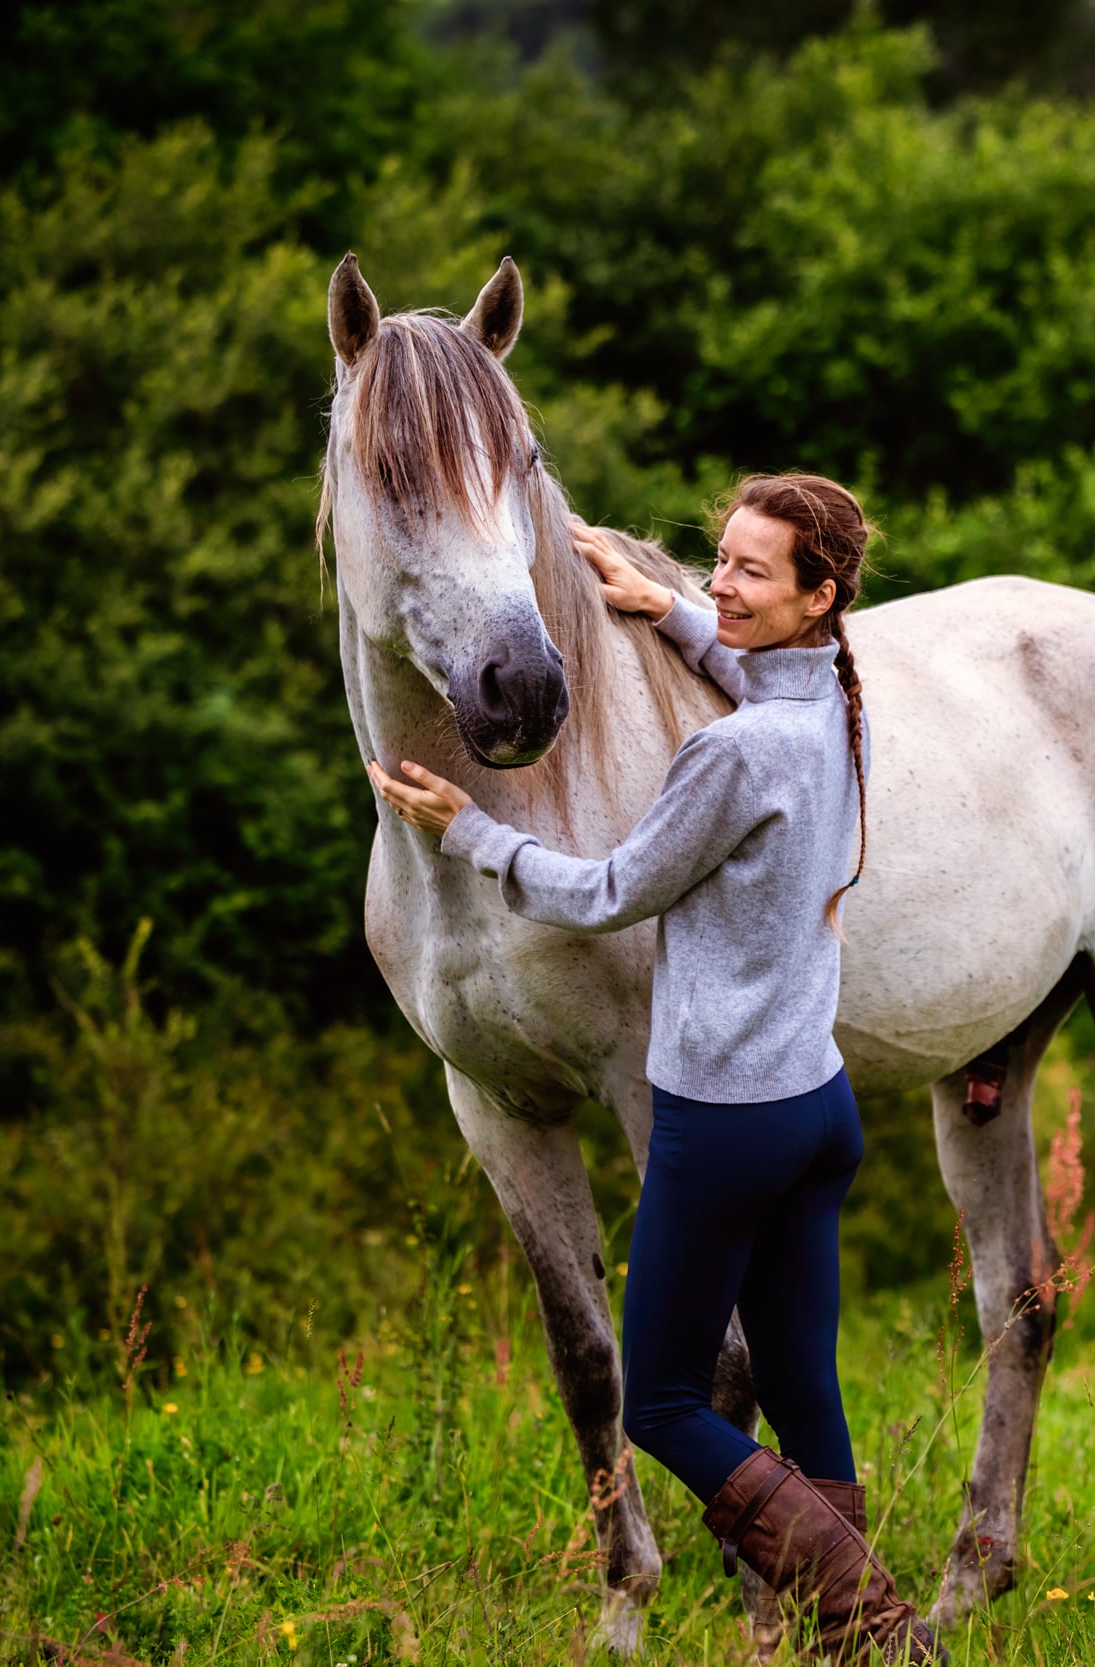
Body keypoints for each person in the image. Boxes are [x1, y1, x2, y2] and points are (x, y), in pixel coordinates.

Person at [367, 474, 939, 1664]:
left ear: (818, 594)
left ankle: (875, 1614)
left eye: (746, 572)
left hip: (723, 1121)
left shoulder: (727, 759)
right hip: (815, 1110)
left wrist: (467, 833)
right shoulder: (843, 706)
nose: (714, 583)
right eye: (715, 560)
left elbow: (609, 891)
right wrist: (673, 613)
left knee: (667, 1397)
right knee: (802, 1384)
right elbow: (758, 677)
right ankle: (855, 1637)